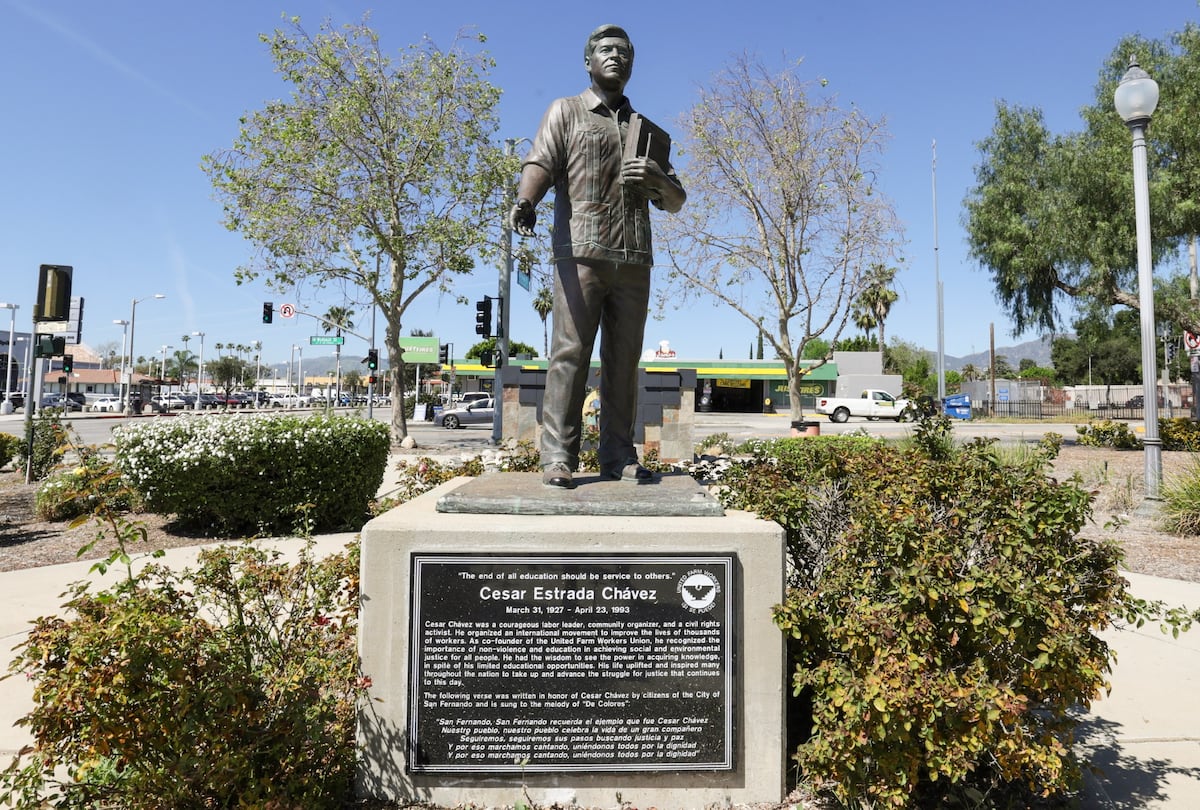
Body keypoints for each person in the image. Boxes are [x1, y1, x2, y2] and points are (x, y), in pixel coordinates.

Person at [510, 23, 686, 489]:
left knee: (624, 360)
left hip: (634, 257)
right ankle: (558, 455)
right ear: (588, 62)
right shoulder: (566, 111)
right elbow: (541, 160)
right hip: (581, 250)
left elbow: (675, 199)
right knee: (570, 353)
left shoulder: (645, 130)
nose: (615, 57)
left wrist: (658, 179)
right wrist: (527, 199)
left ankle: (618, 455)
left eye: (623, 52)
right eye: (606, 50)